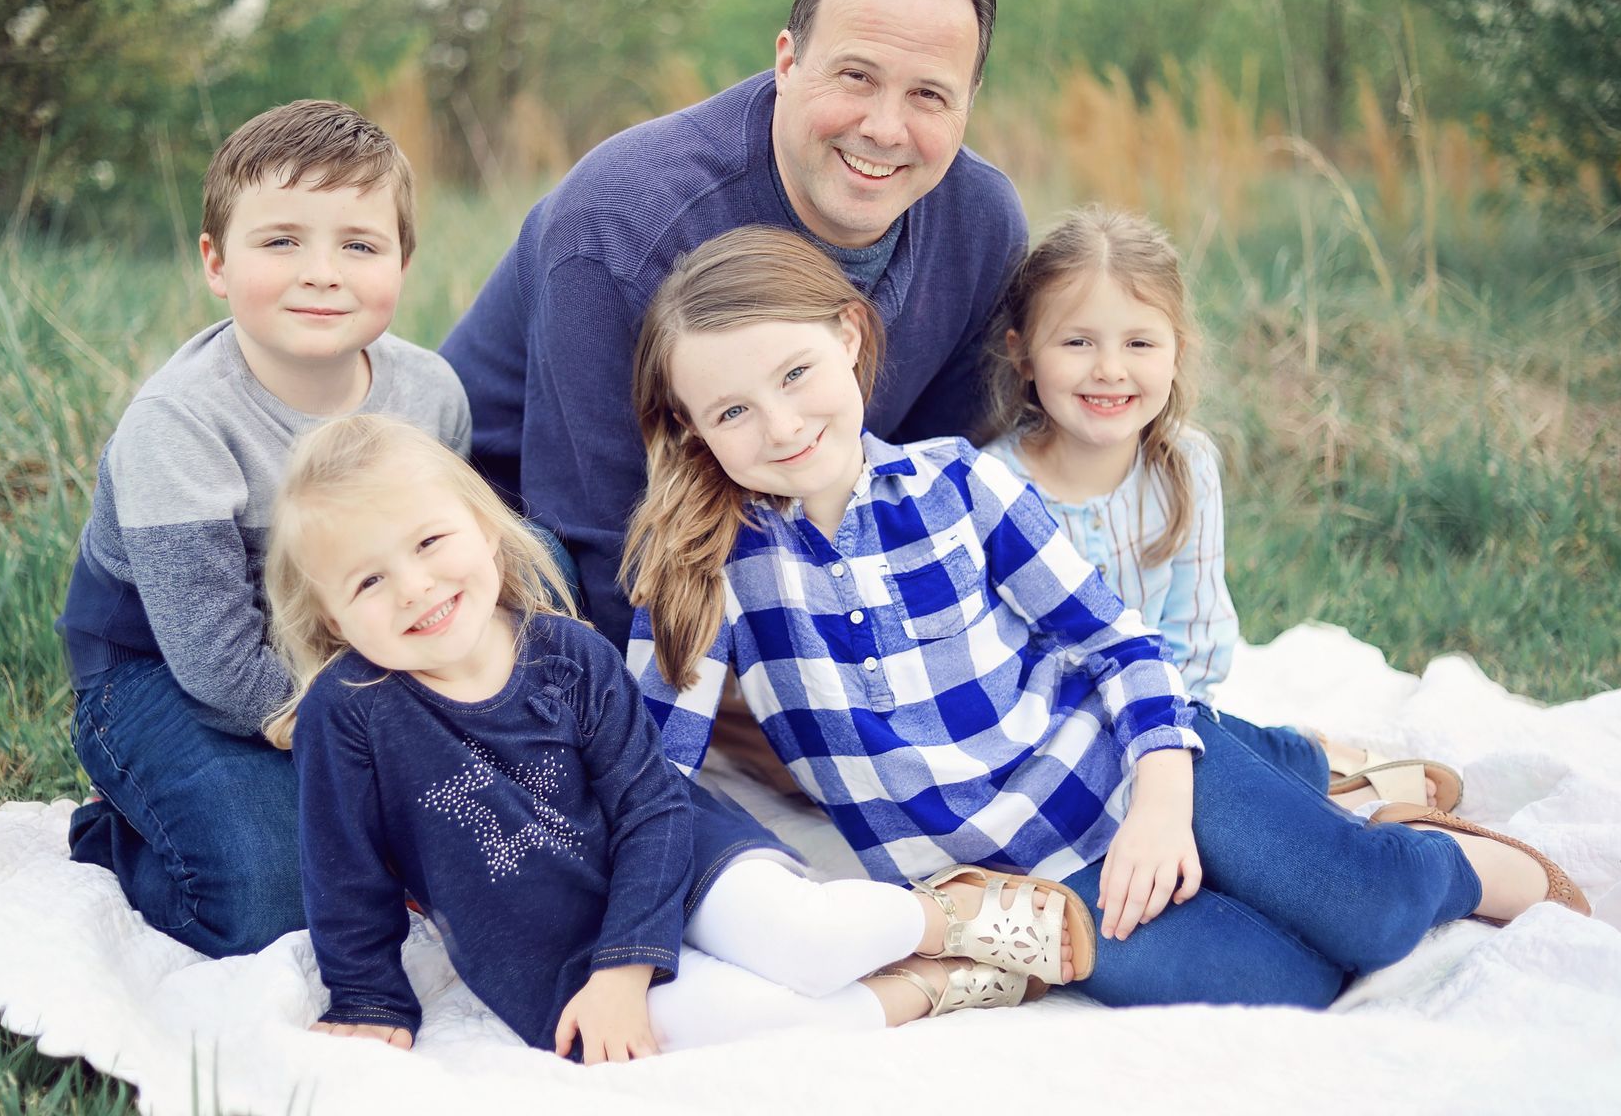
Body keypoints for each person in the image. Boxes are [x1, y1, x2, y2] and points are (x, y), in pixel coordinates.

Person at [623, 226, 1590, 1009]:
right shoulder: (703, 570)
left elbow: (1119, 643)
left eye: (795, 374)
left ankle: (1442, 860)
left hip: (1127, 764)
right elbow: (652, 778)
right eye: (733, 412)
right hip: (1033, 890)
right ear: (691, 429)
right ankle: (1299, 799)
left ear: (847, 336)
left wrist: (1161, 807)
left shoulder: (961, 484)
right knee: (1288, 985)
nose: (783, 425)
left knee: (1369, 913)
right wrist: (625, 962)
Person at [265, 415, 1100, 1060]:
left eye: (428, 542)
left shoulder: (568, 656)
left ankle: (947, 914)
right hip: (556, 950)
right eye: (369, 581)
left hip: (679, 856)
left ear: (484, 528)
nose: (415, 588)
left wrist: (628, 965)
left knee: (806, 943)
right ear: (332, 618)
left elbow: (651, 807)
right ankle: (930, 986)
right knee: (746, 1027)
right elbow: (343, 870)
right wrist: (367, 998)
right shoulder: (352, 711)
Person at [441, 0, 1027, 649]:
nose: (884, 128)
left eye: (929, 95)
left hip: (770, 548)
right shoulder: (623, 222)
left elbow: (929, 487)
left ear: (969, 101)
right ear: (787, 62)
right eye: (856, 76)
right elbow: (602, 553)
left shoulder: (982, 226)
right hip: (514, 553)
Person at [58, 100, 470, 958]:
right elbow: (216, 664)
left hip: (350, 635)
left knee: (536, 567)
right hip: (167, 669)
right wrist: (381, 743)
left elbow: (451, 559)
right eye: (281, 241)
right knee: (268, 886)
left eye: (359, 246)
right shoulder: (180, 425)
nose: (322, 274)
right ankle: (121, 828)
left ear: (403, 261)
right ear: (216, 262)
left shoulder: (430, 394)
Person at [976, 207, 1463, 812]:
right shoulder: (991, 487)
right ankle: (1312, 760)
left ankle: (1315, 767)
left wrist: (1160, 745)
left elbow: (1196, 635)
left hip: (1169, 720)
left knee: (1218, 793)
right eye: (1077, 342)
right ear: (1023, 354)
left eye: (1139, 343)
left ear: (1176, 352)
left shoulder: (1186, 465)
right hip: (1051, 745)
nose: (1109, 369)